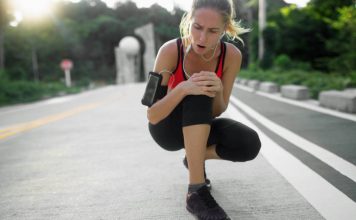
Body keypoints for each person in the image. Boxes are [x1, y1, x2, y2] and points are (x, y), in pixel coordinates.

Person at [146, 0, 261, 219]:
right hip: (166, 129)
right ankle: (196, 192)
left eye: (212, 31)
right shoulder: (170, 51)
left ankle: (194, 160)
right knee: (197, 89)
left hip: (199, 125)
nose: (202, 38)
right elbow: (152, 114)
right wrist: (182, 89)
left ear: (225, 29)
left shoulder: (231, 56)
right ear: (189, 21)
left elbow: (218, 109)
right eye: (197, 27)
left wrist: (217, 90)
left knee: (249, 143)